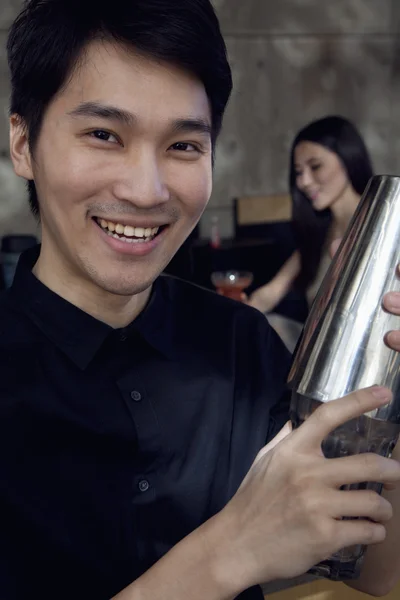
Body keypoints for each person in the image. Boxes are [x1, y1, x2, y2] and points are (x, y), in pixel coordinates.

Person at [1, 2, 400, 599]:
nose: (146, 190)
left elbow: (373, 569)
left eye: (184, 146)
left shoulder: (241, 343)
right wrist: (231, 548)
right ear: (24, 144)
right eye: (104, 134)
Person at [248, 116, 373, 314]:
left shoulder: (381, 224)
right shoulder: (319, 233)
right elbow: (269, 294)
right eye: (298, 172)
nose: (304, 181)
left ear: (348, 158)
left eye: (315, 167)